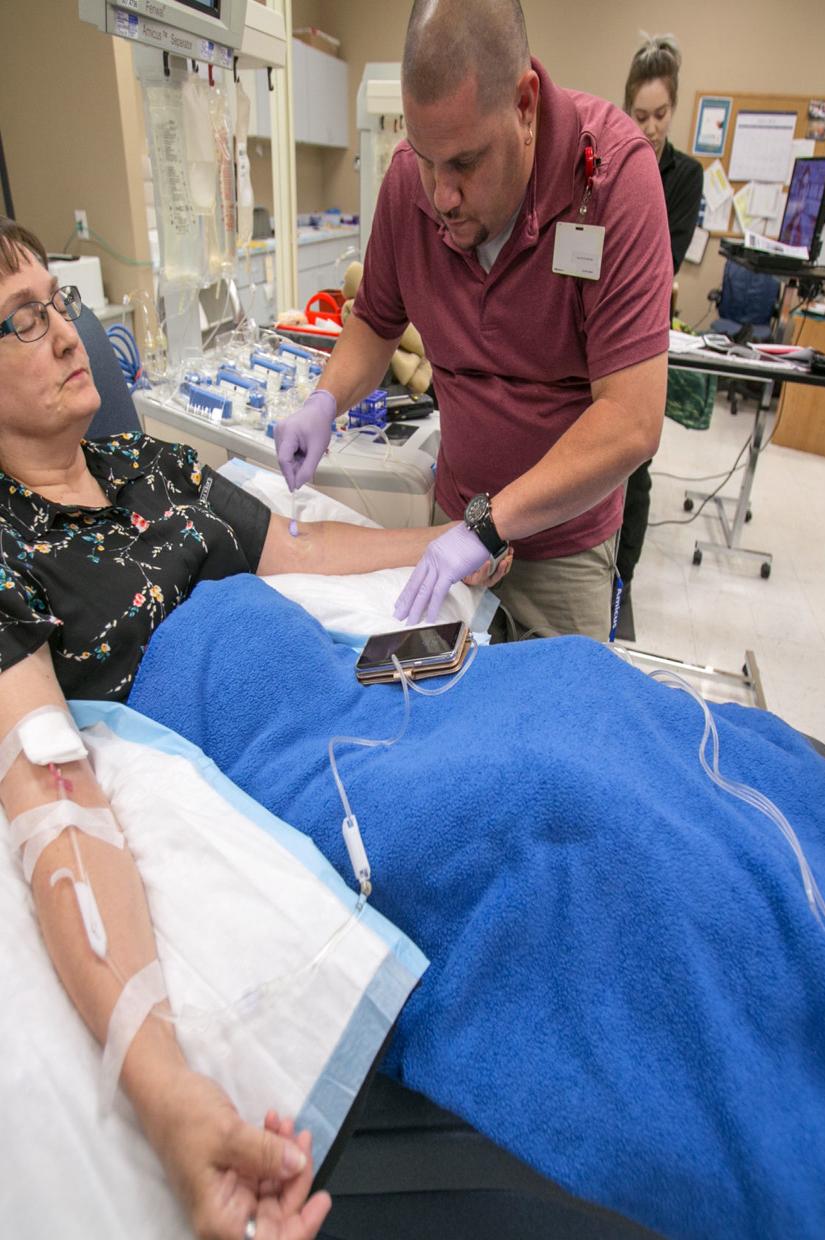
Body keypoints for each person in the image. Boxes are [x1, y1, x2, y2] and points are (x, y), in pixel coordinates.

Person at [0, 216, 509, 1240]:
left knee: (562, 694)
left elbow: (303, 549)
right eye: (20, 320)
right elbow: (50, 782)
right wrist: (163, 1084)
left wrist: (469, 537)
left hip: (322, 690)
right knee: (533, 793)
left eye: (60, 305)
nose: (66, 336)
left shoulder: (152, 465)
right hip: (254, 764)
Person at [274, 0, 673, 644]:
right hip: (450, 523)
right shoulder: (410, 184)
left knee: (551, 723)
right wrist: (325, 399)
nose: (442, 195)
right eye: (425, 158)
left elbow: (630, 419)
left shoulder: (614, 181)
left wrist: (490, 524)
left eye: (464, 162)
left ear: (524, 104)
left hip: (562, 546)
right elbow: (376, 322)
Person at [617, 31, 704, 611]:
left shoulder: (685, 176)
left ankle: (621, 585)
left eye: (660, 114)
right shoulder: (606, 162)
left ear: (674, 109)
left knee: (635, 465)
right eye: (640, 115)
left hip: (644, 331)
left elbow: (661, 261)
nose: (649, 127)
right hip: (599, 324)